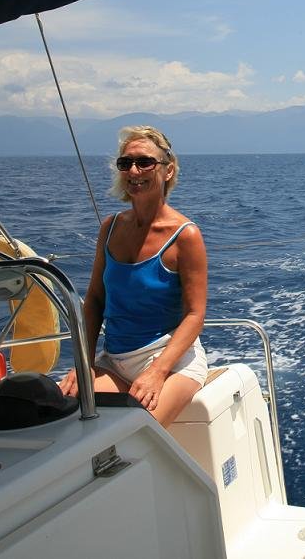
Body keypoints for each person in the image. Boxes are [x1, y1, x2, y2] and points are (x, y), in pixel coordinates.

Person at [59, 125, 208, 427]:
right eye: (125, 163)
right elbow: (95, 300)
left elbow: (195, 314)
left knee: (139, 432)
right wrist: (84, 363)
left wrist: (157, 372)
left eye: (145, 162)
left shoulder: (185, 235)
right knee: (66, 418)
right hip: (114, 360)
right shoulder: (110, 227)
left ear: (168, 170)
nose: (134, 171)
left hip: (171, 361)